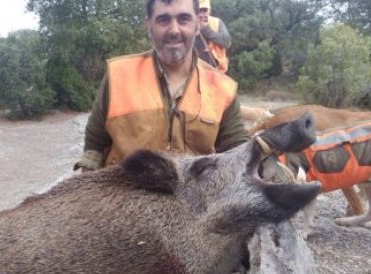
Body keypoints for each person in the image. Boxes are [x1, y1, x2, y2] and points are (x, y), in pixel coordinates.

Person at [73, 0, 249, 172]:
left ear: (197, 25)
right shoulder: (118, 75)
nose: (174, 30)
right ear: (149, 25)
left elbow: (239, 154)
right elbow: (94, 146)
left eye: (183, 19)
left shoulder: (222, 88)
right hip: (122, 196)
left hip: (191, 199)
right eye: (163, 20)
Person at [194, 0, 231, 73]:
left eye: (204, 10)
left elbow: (227, 42)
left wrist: (206, 30)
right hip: (194, 72)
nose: (201, 14)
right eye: (199, 11)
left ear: (208, 10)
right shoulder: (188, 25)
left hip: (216, 70)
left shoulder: (216, 23)